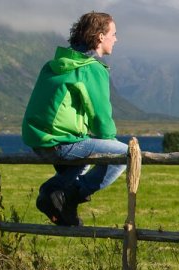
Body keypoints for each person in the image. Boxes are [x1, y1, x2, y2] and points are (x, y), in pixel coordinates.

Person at [22, 12, 127, 227]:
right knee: (126, 154)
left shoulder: (54, 64)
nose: (116, 39)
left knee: (83, 160)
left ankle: (59, 201)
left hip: (37, 140)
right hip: (61, 144)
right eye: (114, 34)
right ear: (100, 37)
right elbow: (101, 117)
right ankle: (65, 195)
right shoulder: (90, 68)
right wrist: (109, 145)